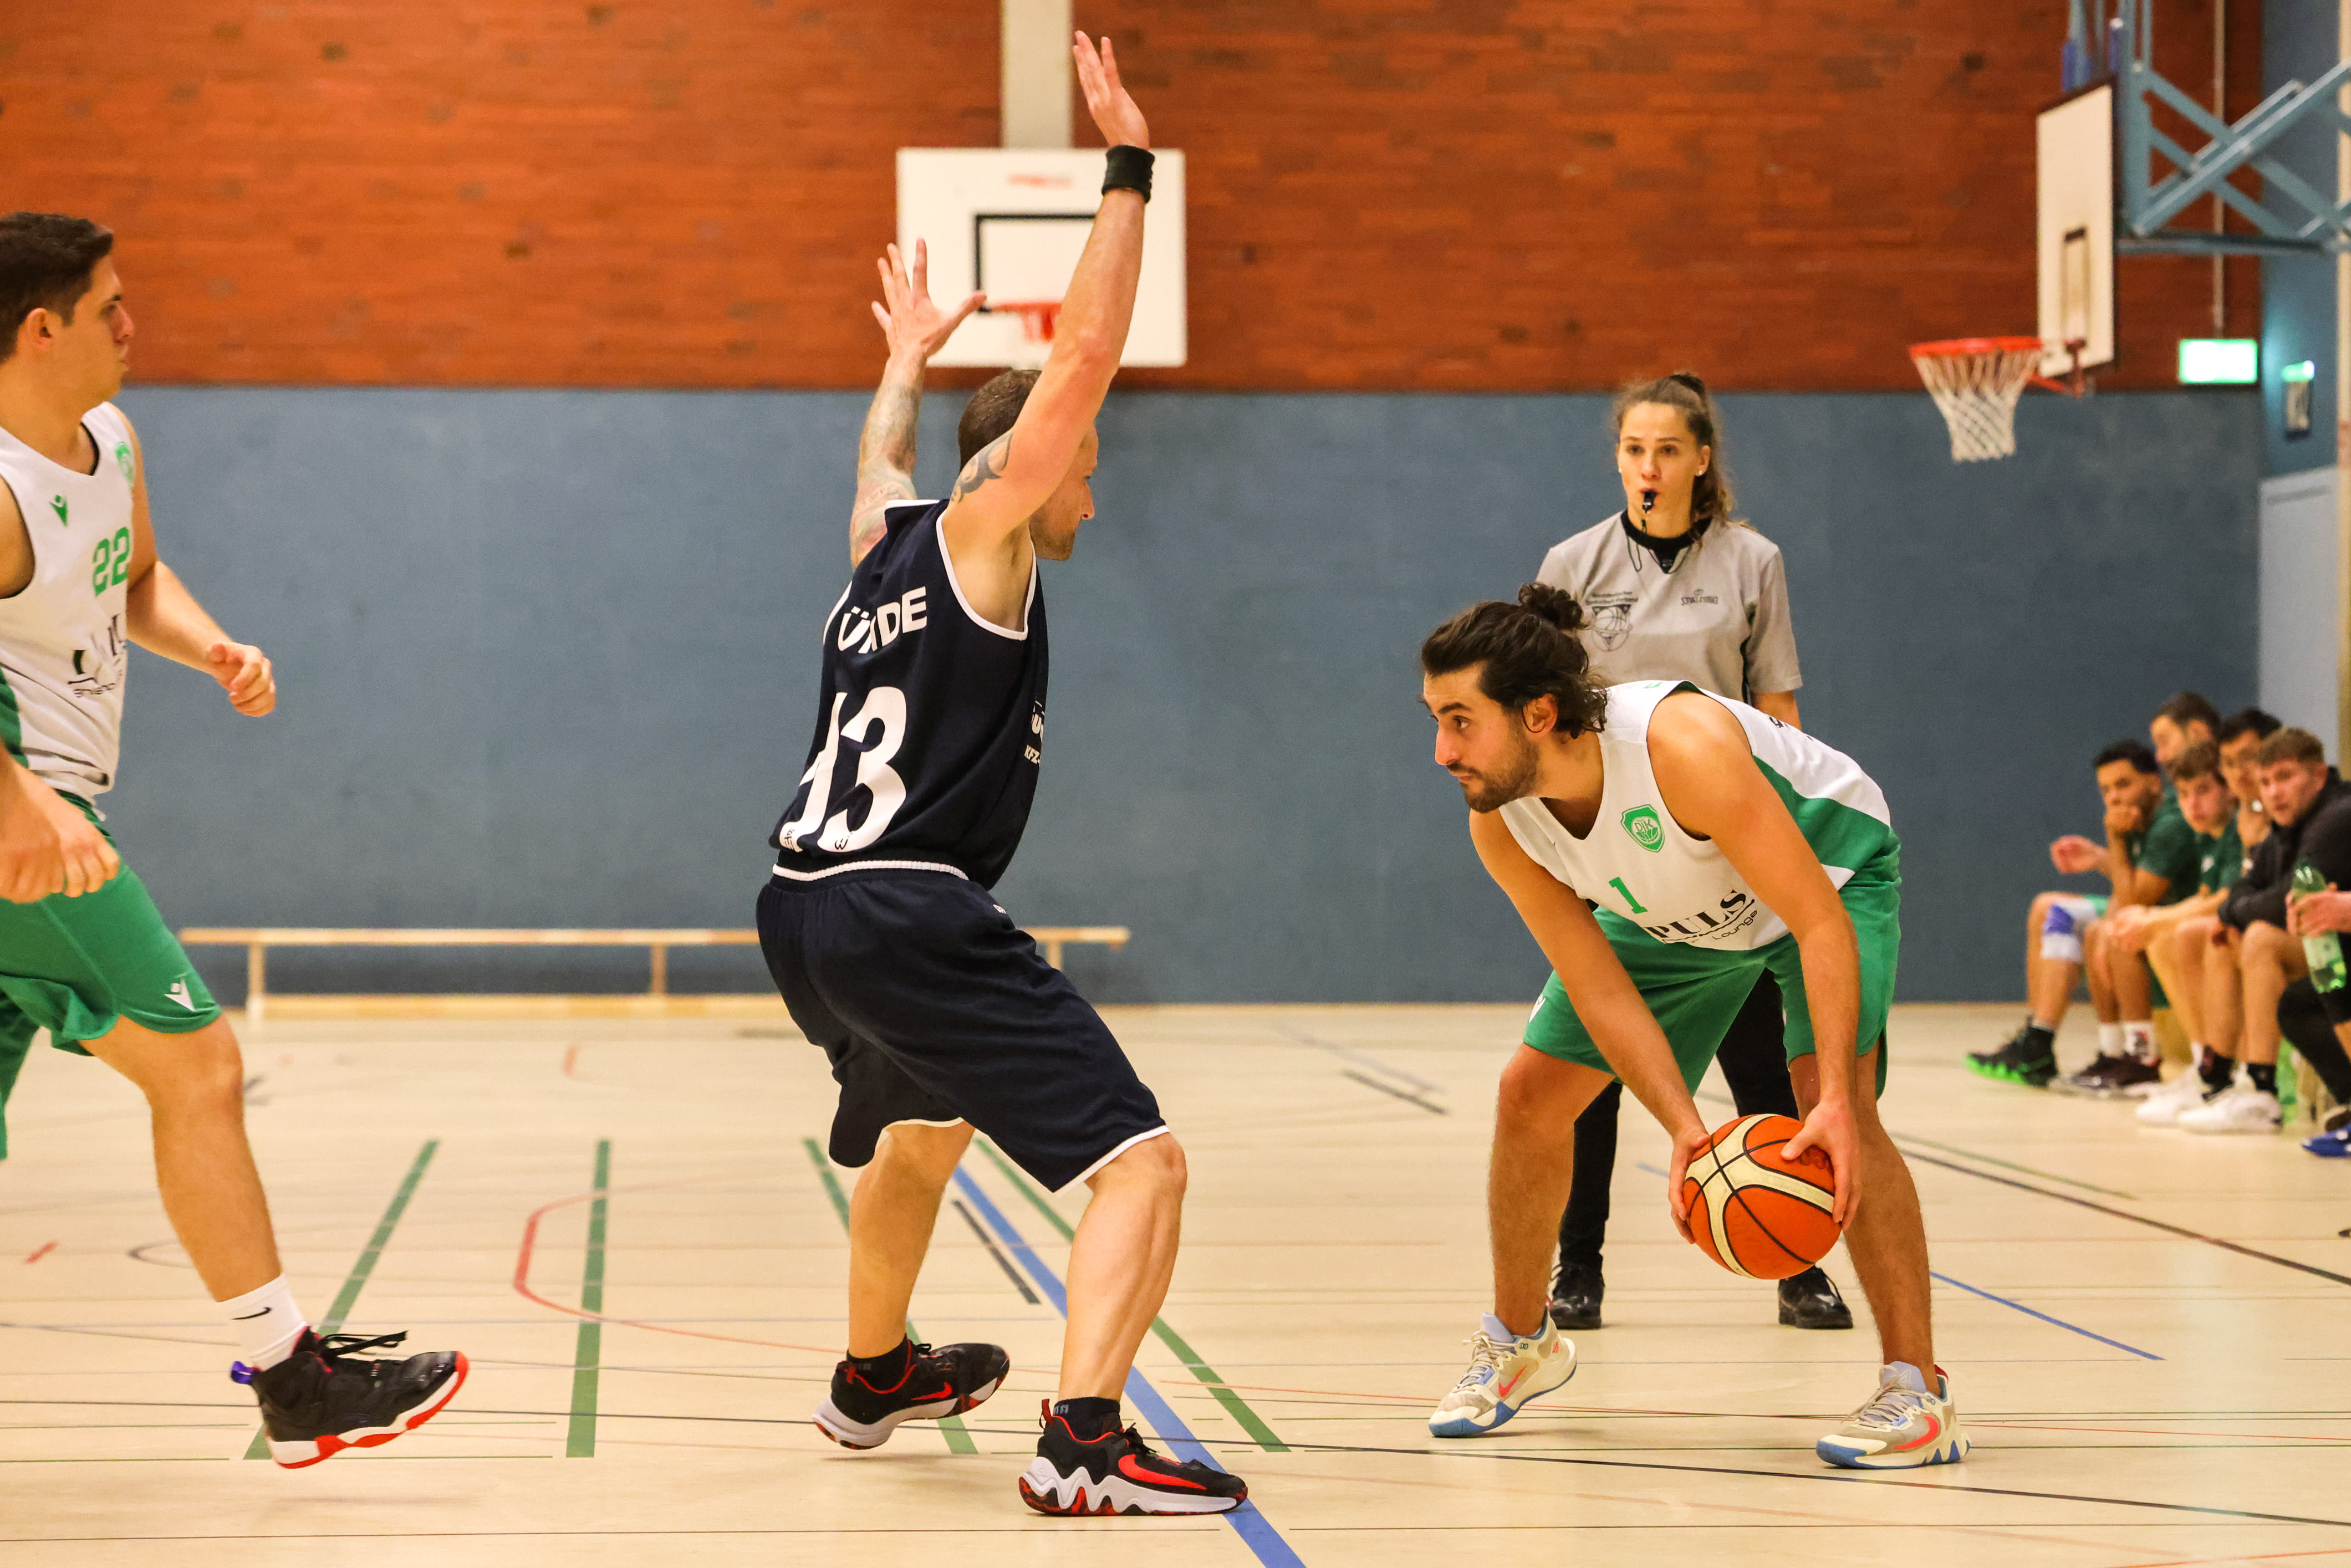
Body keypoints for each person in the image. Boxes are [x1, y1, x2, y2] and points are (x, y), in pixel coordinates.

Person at [753, 38, 1247, 1517]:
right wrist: (1129, 169)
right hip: (906, 907)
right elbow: (1081, 358)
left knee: (921, 1128)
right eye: (1078, 464)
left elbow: (871, 470)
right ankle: (1085, 1438)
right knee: (1143, 1164)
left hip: (801, 907)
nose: (1088, 486)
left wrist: (902, 360)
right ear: (1028, 463)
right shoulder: (986, 531)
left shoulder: (883, 552)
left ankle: (872, 1375)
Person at [0, 212, 464, 1465]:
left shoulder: (108, 439)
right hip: (31, 829)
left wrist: (207, 646)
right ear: (40, 329)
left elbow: (134, 575)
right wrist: (20, 802)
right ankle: (293, 1376)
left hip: (50, 811)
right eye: (107, 305)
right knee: (196, 1066)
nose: (130, 322)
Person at [1418, 586, 1965, 1470]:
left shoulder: (1681, 748)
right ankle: (1522, 1341)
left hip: (1826, 875)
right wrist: (1685, 1128)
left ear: (1539, 715)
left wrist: (1835, 1092)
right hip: (1679, 913)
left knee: (1835, 1114)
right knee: (1530, 1096)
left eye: (1460, 721)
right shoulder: (1501, 822)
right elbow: (1597, 985)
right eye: (1436, 721)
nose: (1443, 752)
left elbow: (1817, 921)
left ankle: (1917, 1392)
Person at [1529, 371, 1847, 1333]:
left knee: (1759, 1059)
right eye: (1634, 449)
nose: (1650, 466)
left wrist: (1788, 842)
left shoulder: (1752, 561)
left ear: (1701, 459)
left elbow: (1777, 707)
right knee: (1592, 1064)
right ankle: (1577, 1266)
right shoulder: (1574, 563)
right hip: (1614, 843)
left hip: (1720, 840)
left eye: (1668, 450)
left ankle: (1798, 1259)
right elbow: (1543, 714)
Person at [1970, 739, 2199, 1089]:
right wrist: (2098, 857)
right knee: (2046, 907)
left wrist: (2113, 839)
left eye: (2123, 785)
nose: (2114, 798)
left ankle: (2070, 1046)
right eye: (2106, 790)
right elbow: (2132, 884)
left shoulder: (2168, 823)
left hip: (2175, 917)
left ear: (2154, 783)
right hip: (2151, 908)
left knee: (2087, 924)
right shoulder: (2136, 818)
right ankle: (2041, 1036)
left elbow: (2135, 899)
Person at [2185, 728, 2351, 1133]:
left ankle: (2260, 1088)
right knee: (2289, 998)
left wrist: (2234, 910)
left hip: (2338, 945)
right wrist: (2231, 912)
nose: (2274, 792)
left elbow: (2293, 896)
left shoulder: (2337, 816)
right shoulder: (2286, 825)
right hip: (2333, 946)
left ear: (2319, 774)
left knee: (2263, 939)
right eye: (2266, 782)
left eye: (2285, 777)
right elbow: (2249, 886)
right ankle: (2214, 1080)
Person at [2137, 708, 2280, 1124]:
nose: (2241, 772)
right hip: (2273, 923)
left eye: (2249, 758)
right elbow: (2221, 894)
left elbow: (2239, 895)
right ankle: (2211, 1070)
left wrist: (2155, 919)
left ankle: (2254, 1081)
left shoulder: (2278, 817)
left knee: (2218, 934)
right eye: (2230, 762)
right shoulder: (2242, 819)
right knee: (2192, 934)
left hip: (2300, 931)